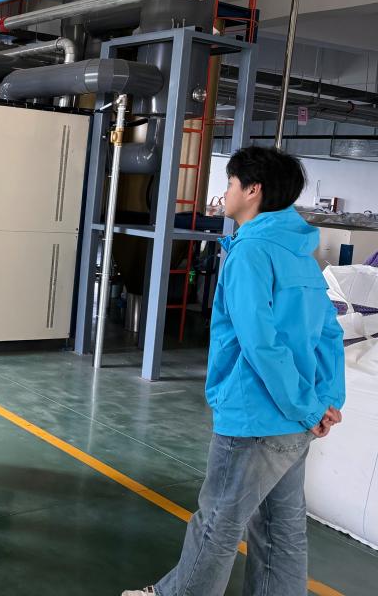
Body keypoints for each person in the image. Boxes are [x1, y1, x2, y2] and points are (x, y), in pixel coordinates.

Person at [123, 146, 346, 596]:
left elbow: (260, 342)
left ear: (253, 190)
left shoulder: (251, 253)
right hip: (296, 420)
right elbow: (328, 333)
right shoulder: (300, 254)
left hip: (255, 416)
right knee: (282, 530)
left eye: (229, 183)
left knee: (218, 524)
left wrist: (308, 407)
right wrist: (325, 401)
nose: (225, 193)